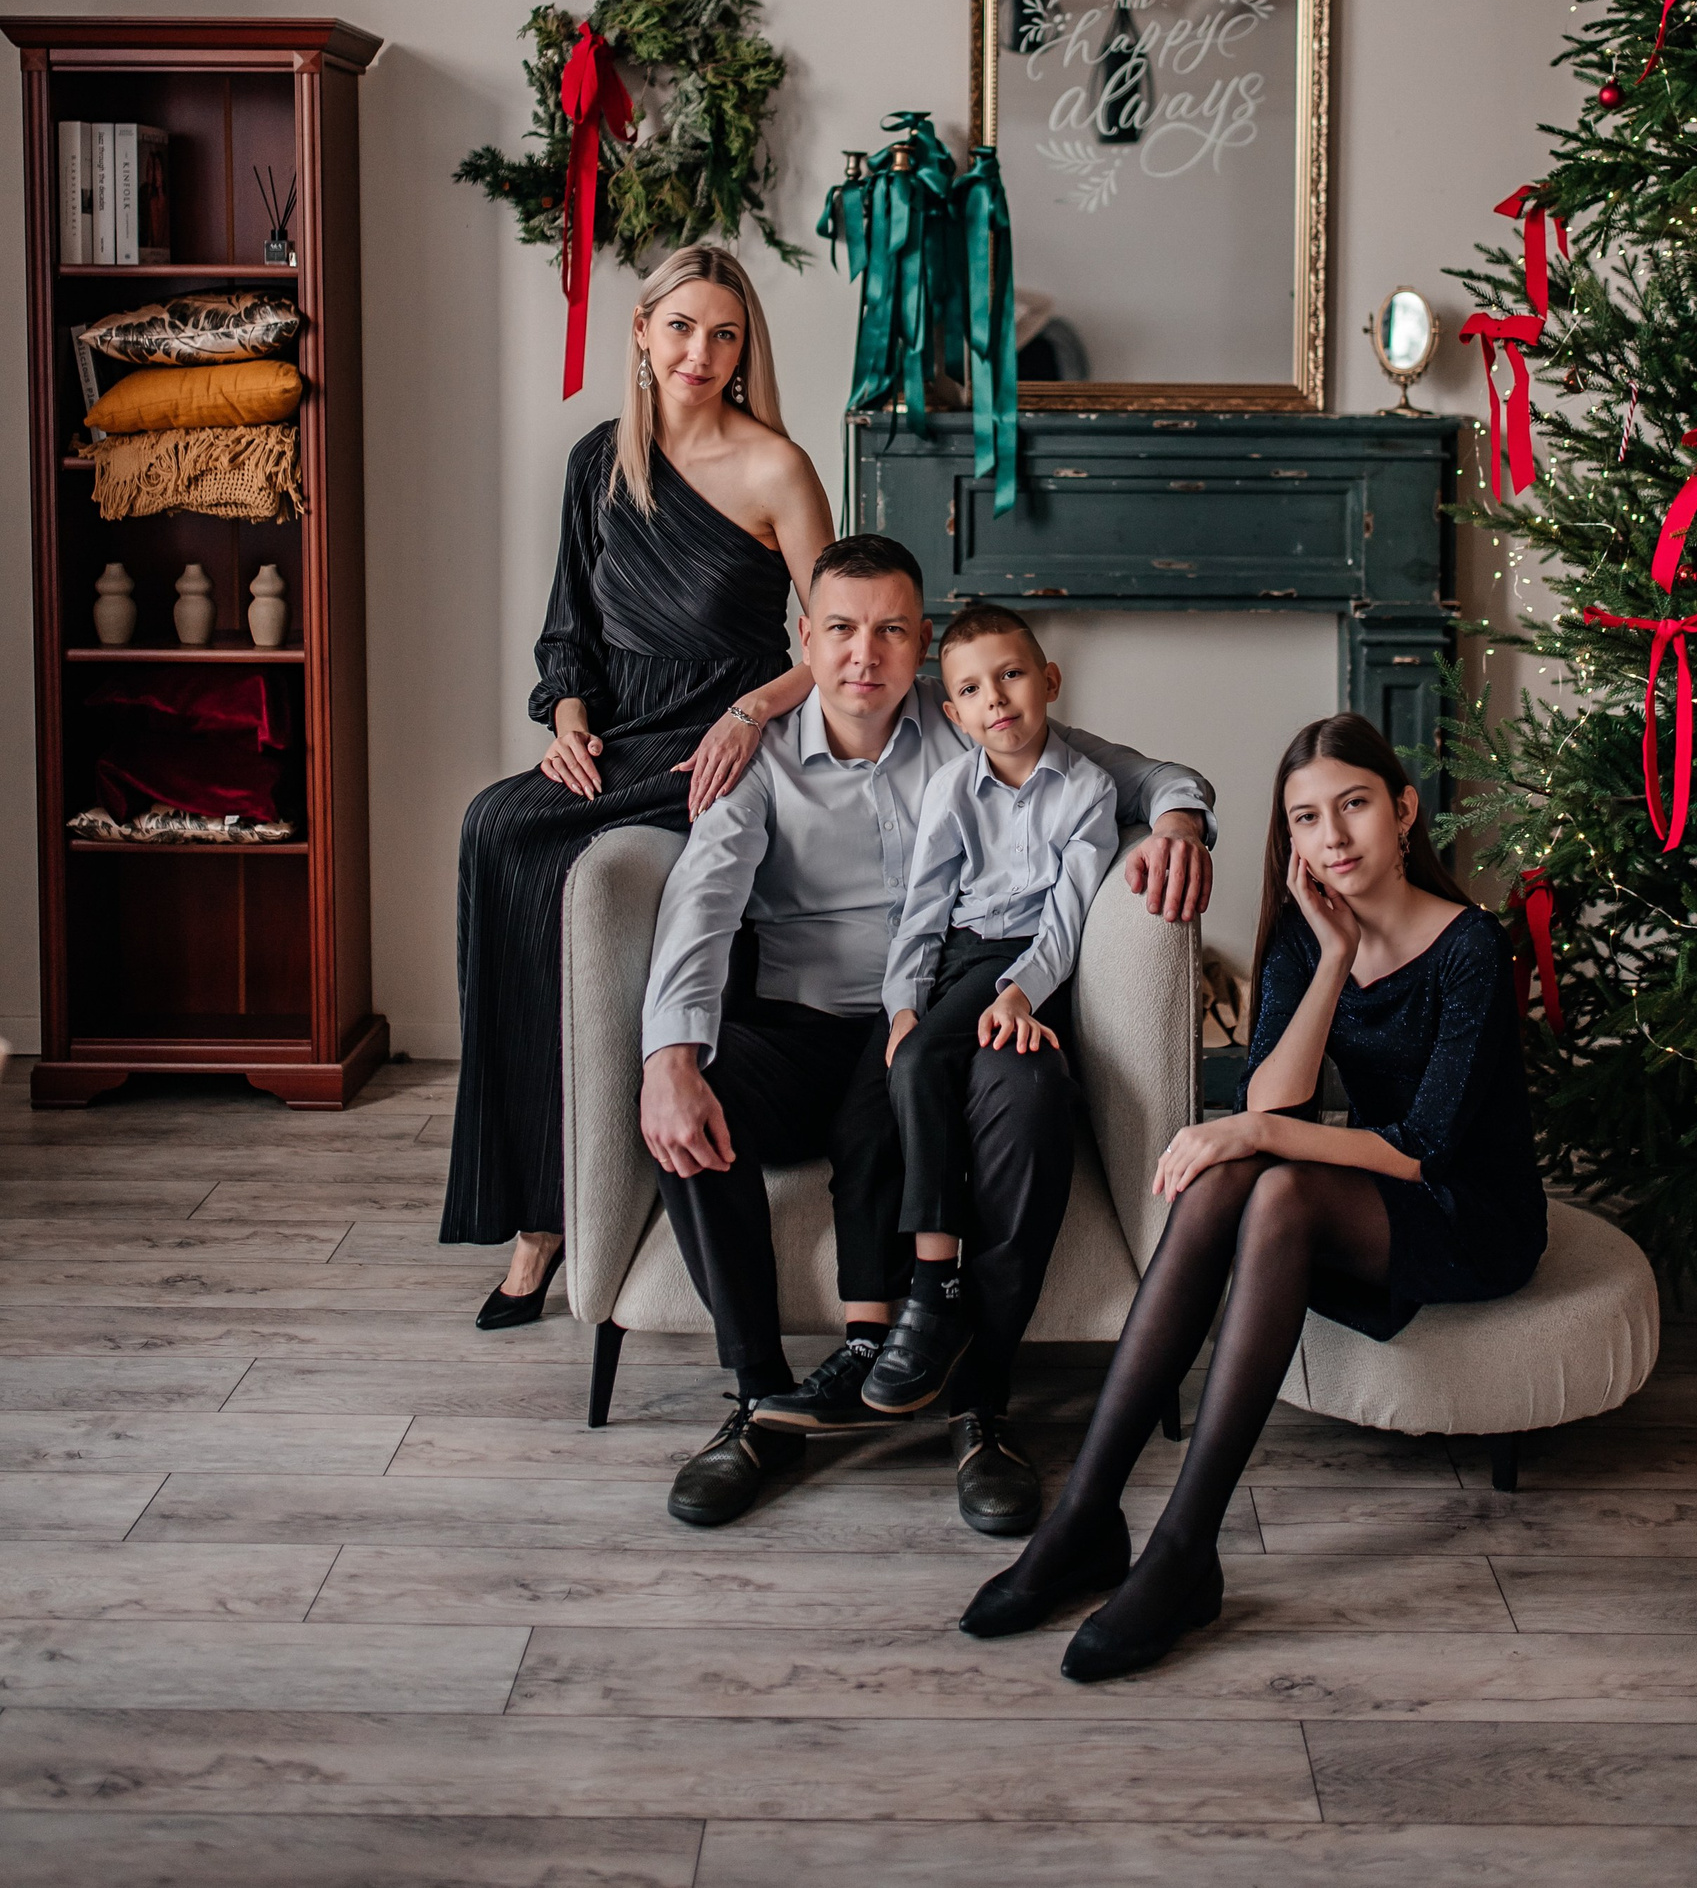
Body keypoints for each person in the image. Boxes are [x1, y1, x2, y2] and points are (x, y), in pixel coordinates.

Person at [638, 534, 1215, 1535]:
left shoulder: (968, 726)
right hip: (804, 1024)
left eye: (892, 631)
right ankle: (763, 1402)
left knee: (1033, 1093)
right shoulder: (759, 762)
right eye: (842, 630)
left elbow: (1148, 774)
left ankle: (979, 1402)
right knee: (684, 1096)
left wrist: (1180, 824)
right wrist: (670, 1054)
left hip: (941, 1017)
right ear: (806, 642)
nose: (865, 654)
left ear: (922, 645)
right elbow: (700, 903)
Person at [962, 710, 1547, 1680]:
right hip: (1374, 1190)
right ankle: (1085, 1517)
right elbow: (1277, 1102)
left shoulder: (1469, 947)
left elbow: (1425, 1149)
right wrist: (1331, 959)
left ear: (1404, 810)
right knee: (1238, 1171)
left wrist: (1254, 1131)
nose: (1333, 837)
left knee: (1274, 1190)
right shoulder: (1311, 933)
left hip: (1467, 1212)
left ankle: (1185, 1548)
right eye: (1307, 818)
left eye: (1355, 806)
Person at [440, 244, 834, 1329]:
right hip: (614, 739)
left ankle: (574, 1202)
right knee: (495, 828)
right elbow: (567, 625)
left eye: (724, 334)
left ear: (746, 349)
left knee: (547, 862)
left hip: (717, 743)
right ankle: (540, 1209)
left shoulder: (778, 467)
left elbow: (838, 637)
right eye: (681, 327)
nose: (701, 352)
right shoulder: (597, 461)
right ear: (643, 333)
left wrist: (752, 713)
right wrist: (567, 721)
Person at [865, 604, 1118, 1417]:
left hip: (1036, 967)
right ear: (954, 712)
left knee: (956, 1070)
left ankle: (937, 1293)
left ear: (1050, 680)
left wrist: (1022, 991)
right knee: (914, 1058)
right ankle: (932, 1285)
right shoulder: (950, 788)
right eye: (972, 689)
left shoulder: (1089, 790)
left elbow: (1067, 922)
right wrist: (903, 1004)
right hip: (962, 960)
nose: (996, 699)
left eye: (1011, 676)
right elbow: (921, 911)